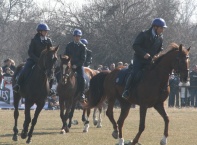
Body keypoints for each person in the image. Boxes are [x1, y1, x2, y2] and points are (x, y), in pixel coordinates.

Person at [122, 18, 167, 100]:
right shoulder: (144, 34)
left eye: (163, 28)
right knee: (135, 73)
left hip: (151, 60)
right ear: (155, 27)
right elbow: (135, 45)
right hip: (139, 59)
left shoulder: (160, 37)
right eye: (161, 28)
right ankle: (126, 90)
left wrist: (158, 55)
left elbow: (160, 48)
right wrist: (144, 54)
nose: (162, 30)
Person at [13, 23, 52, 92]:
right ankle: (18, 85)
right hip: (34, 59)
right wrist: (37, 60)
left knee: (51, 72)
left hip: (45, 61)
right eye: (44, 31)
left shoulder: (49, 40)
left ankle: (50, 89)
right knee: (25, 69)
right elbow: (30, 52)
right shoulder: (34, 40)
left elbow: (50, 51)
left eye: (46, 31)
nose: (46, 32)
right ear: (40, 31)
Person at [64, 29, 86, 103]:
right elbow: (66, 55)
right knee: (61, 73)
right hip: (69, 65)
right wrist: (68, 63)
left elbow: (83, 59)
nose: (77, 37)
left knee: (82, 78)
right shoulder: (69, 45)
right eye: (76, 36)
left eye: (78, 36)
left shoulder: (83, 46)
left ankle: (82, 94)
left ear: (80, 37)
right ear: (73, 37)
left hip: (78, 66)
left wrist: (76, 65)